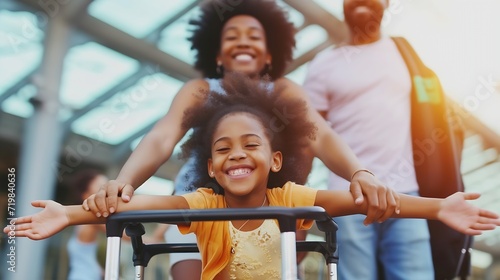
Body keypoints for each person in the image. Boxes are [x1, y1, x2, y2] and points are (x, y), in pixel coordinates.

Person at [6, 75, 500, 280]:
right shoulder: (203, 204)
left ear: (276, 160)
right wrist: (68, 214)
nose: (236, 156)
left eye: (250, 146)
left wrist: (438, 207)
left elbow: (362, 202)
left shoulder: (293, 198)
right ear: (210, 164)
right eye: (222, 150)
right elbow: (138, 206)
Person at [83, 0, 399, 278]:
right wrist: (124, 182)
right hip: (201, 209)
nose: (243, 42)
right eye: (232, 37)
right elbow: (161, 138)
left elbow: (323, 136)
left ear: (269, 53)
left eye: (254, 37)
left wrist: (359, 173)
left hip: (264, 212)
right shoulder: (200, 91)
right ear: (218, 55)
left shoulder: (285, 90)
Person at [302, 0, 467, 279]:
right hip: (348, 196)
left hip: (407, 195)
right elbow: (308, 135)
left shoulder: (406, 54)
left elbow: (437, 119)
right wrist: (298, 194)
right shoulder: (323, 64)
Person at [66, 169, 107, 280]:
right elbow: (124, 234)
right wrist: (152, 240)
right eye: (101, 188)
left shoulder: (81, 222)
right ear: (86, 195)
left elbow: (85, 259)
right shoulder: (92, 219)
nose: (107, 192)